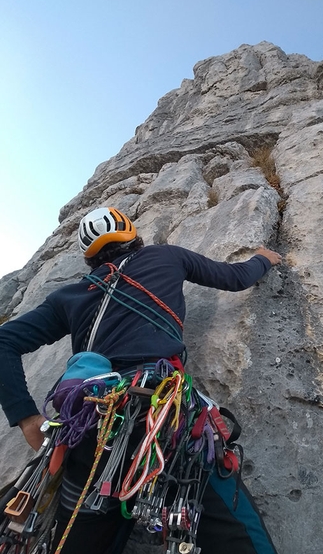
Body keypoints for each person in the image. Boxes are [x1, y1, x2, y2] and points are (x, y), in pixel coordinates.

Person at [0, 207, 281, 554]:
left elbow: (4, 340)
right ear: (134, 236)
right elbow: (236, 277)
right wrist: (263, 258)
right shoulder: (166, 256)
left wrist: (27, 417)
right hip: (163, 417)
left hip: (88, 430)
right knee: (239, 537)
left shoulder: (69, 297)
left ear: (89, 258)